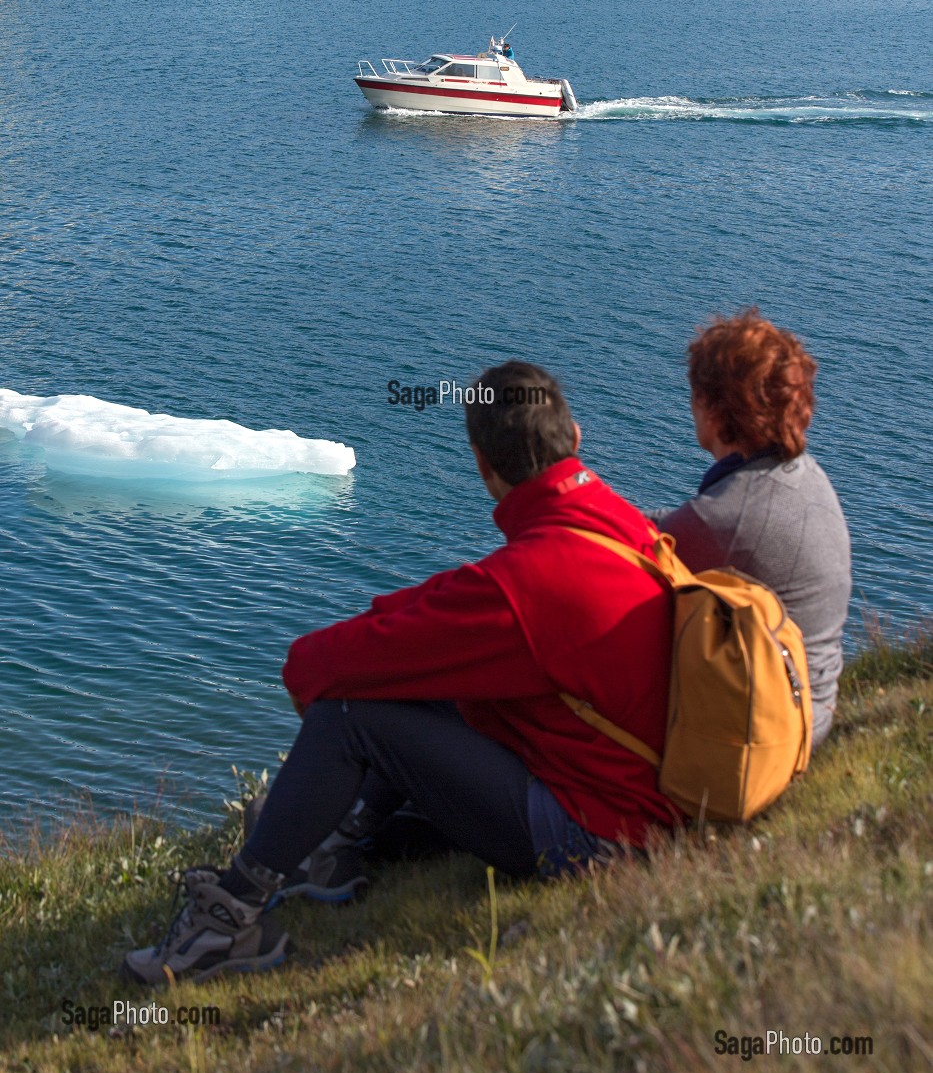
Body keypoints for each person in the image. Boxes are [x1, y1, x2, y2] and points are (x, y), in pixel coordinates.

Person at [123, 361, 680, 985]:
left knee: (350, 715)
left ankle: (227, 924)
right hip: (648, 792)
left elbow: (314, 666)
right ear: (574, 438)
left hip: (600, 836)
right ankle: (336, 837)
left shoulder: (522, 586)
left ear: (481, 465)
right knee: (433, 682)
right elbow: (463, 610)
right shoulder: (627, 525)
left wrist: (368, 655)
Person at [657, 309, 851, 750]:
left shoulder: (725, 517)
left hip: (765, 741)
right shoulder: (807, 476)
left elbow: (636, 557)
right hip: (810, 710)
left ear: (713, 409)